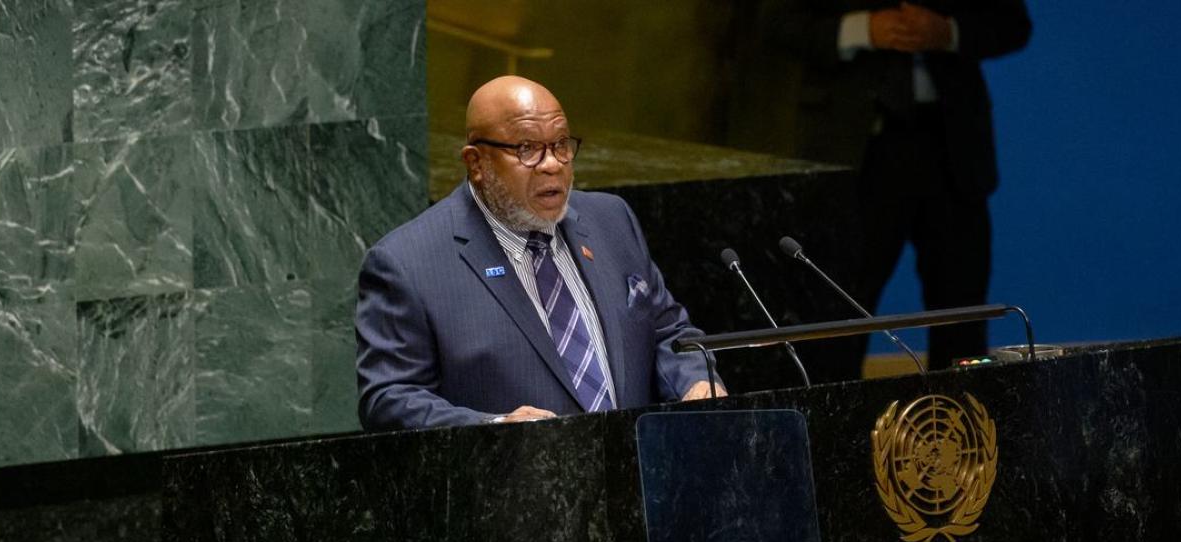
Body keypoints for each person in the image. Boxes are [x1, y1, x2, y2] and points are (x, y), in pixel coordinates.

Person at [356, 76, 723, 431]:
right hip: (514, 483)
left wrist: (694, 382)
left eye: (561, 144)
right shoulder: (407, 263)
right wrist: (492, 428)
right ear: (476, 163)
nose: (553, 164)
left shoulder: (611, 220)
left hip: (638, 474)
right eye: (527, 149)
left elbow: (669, 332)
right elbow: (388, 398)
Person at [761, 0, 1031, 373]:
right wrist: (863, 29)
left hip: (952, 148)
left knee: (962, 314)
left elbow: (1012, 24)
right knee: (840, 315)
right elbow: (776, 23)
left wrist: (949, 32)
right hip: (856, 152)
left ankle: (963, 428)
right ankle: (834, 428)